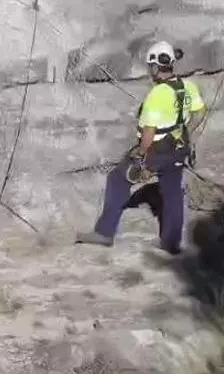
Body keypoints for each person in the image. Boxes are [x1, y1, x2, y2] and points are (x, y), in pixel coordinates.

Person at [76, 40, 207, 254]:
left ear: (156, 67)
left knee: (118, 179)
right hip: (178, 148)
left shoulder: (156, 95)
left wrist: (140, 154)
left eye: (150, 67)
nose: (150, 71)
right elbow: (200, 113)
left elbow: (149, 132)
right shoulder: (187, 87)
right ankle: (171, 242)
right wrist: (186, 133)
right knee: (173, 192)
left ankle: (104, 232)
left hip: (156, 150)